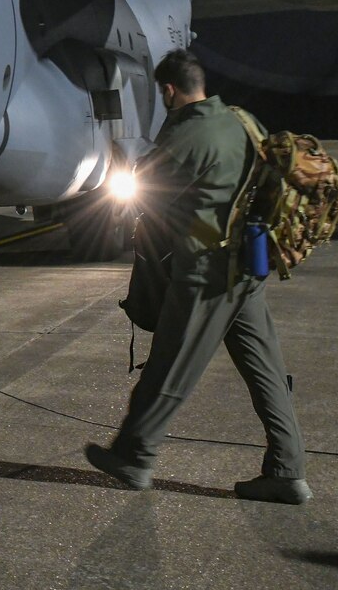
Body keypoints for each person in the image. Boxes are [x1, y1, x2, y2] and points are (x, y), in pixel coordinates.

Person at [84, 48, 312, 504]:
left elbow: (150, 192)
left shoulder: (190, 132)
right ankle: (288, 472)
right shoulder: (242, 121)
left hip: (209, 269)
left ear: (169, 90)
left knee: (172, 360)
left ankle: (134, 455)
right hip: (250, 264)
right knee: (265, 369)